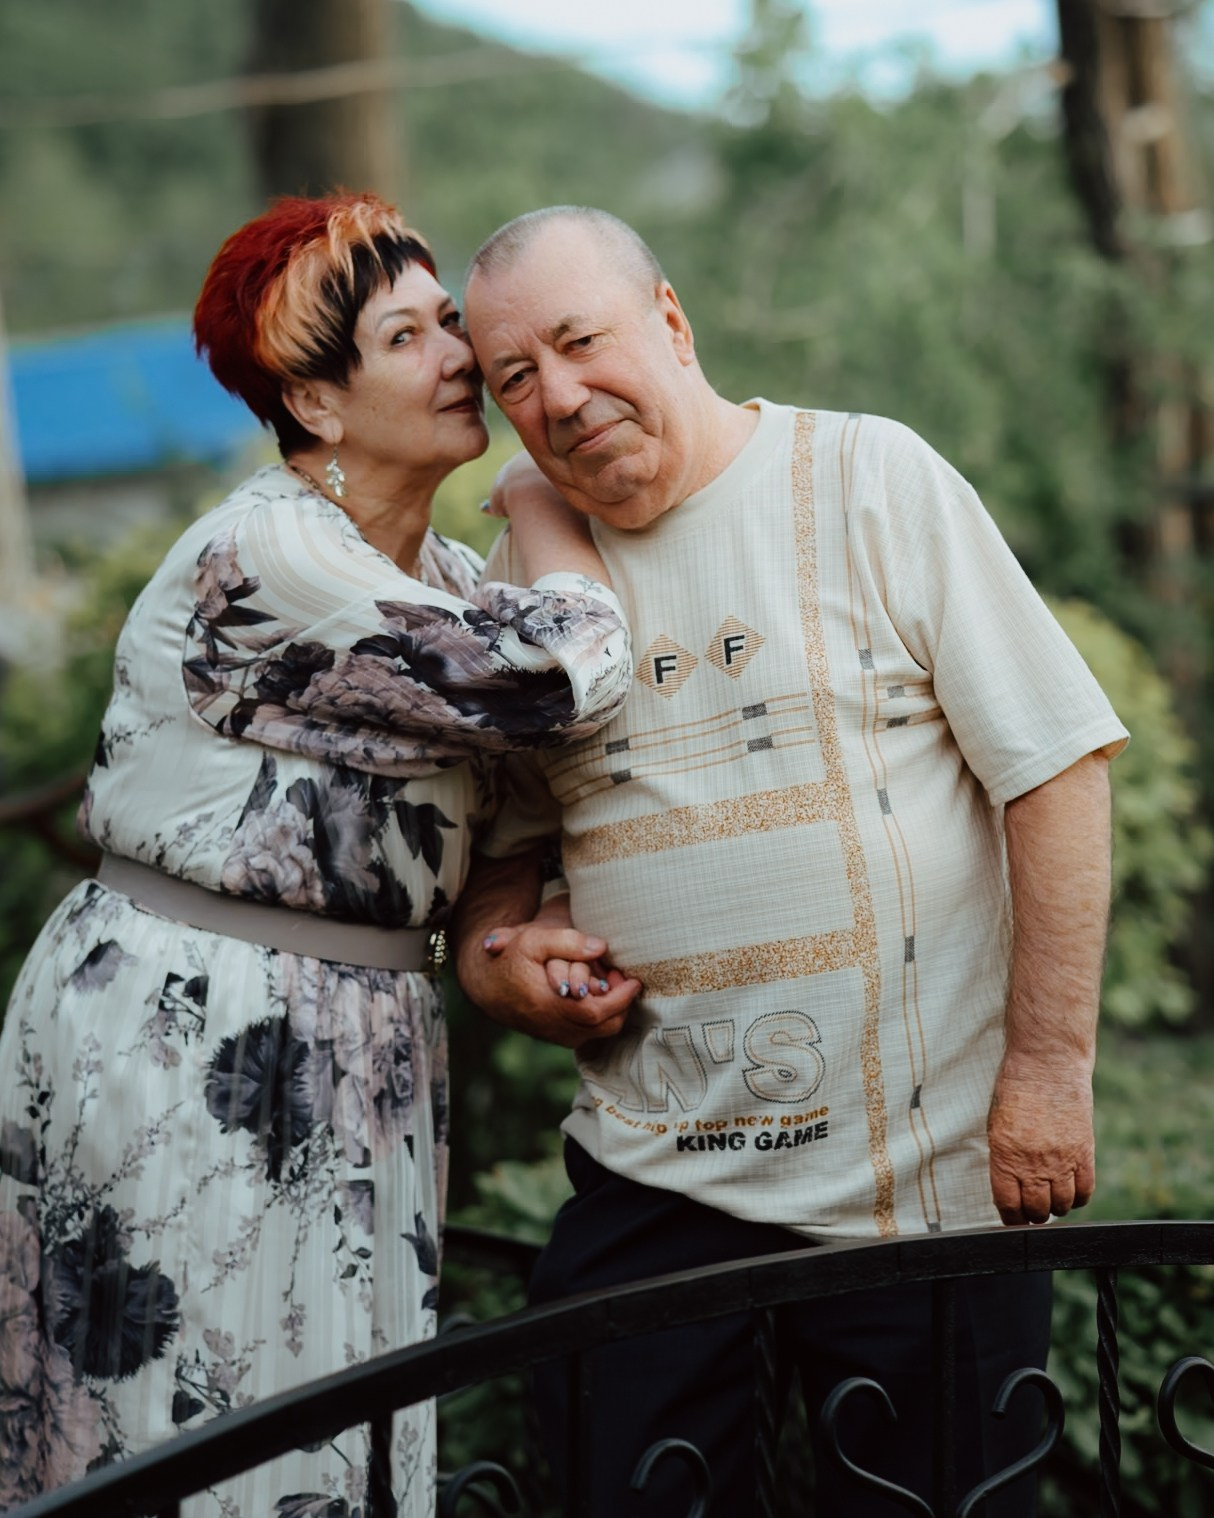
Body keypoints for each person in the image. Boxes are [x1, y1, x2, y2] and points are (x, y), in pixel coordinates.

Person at [451, 205, 1129, 1518]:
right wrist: (499, 962)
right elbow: (500, 868)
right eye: (514, 377)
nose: (560, 395)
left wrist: (1049, 1068)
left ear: (671, 321)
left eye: (582, 342)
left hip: (923, 1188)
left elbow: (1053, 766)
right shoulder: (521, 593)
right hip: (655, 1183)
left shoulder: (871, 479)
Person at [0, 193, 632, 1516]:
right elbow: (561, 673)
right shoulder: (269, 554)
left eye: (450, 323)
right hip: (193, 1033)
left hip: (357, 1027)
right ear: (318, 403)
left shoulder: (439, 574)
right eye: (411, 339)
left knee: (339, 1434)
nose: (462, 357)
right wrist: (549, 497)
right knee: (201, 1439)